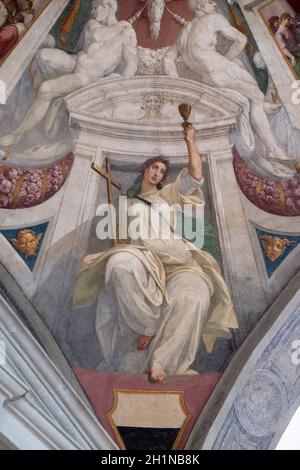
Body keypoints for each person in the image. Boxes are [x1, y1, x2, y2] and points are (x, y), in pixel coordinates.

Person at [70, 125, 238, 383]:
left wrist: (190, 141)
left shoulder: (167, 195)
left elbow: (195, 176)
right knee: (119, 264)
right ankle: (146, 327)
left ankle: (161, 359)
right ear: (145, 169)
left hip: (178, 260)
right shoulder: (125, 204)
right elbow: (121, 240)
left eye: (162, 171)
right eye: (154, 168)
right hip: (143, 257)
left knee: (194, 295)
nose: (158, 173)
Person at [163, 0, 294, 178]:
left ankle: (263, 106)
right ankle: (272, 148)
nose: (213, 5)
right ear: (201, 6)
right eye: (210, 2)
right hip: (219, 69)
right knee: (255, 96)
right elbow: (242, 39)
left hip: (206, 78)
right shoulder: (213, 19)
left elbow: (168, 59)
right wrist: (226, 60)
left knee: (245, 78)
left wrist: (180, 86)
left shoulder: (184, 32)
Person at [0, 0, 137, 146]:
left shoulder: (127, 33)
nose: (93, 12)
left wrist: (121, 87)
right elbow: (98, 36)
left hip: (87, 77)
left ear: (109, 7)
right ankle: (43, 100)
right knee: (42, 55)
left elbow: (131, 62)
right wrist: (121, 24)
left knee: (47, 88)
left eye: (96, 8)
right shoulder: (94, 25)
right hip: (75, 62)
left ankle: (17, 134)